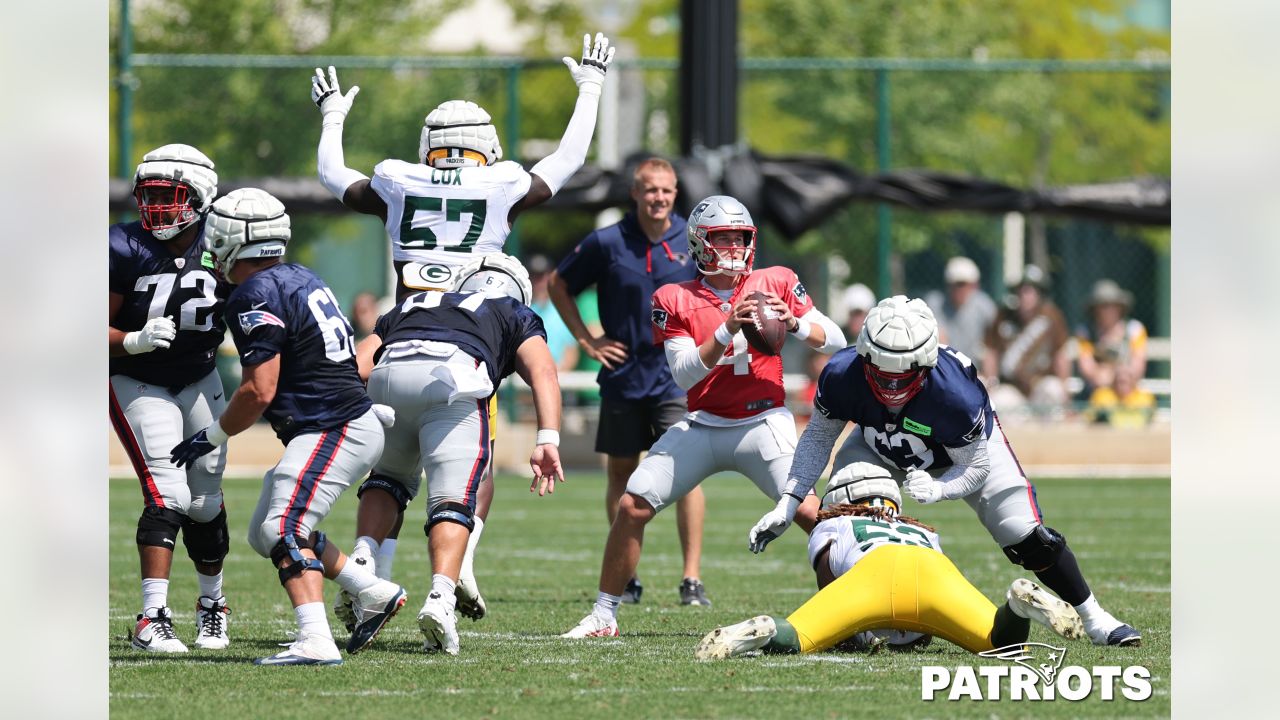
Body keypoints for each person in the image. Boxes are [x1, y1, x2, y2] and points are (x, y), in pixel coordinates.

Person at [310, 31, 615, 617]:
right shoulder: (499, 184)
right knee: (471, 462)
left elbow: (331, 174)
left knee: (390, 469)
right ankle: (454, 575)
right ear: (489, 147)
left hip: (403, 333)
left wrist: (331, 117)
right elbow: (568, 161)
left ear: (429, 146)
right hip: (475, 338)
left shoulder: (399, 179)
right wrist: (591, 88)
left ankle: (376, 568)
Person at [747, 295, 1141, 647]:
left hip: (962, 456)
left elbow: (976, 465)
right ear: (865, 355)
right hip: (880, 446)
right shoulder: (842, 373)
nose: (889, 386)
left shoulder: (955, 394)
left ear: (925, 364)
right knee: (844, 515)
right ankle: (859, 622)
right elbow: (817, 439)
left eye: (901, 376)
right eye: (879, 373)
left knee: (1025, 537)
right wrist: (788, 503)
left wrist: (939, 489)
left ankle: (1095, 618)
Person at [562, 195, 847, 638]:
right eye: (723, 238)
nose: (734, 248)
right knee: (633, 503)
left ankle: (850, 615)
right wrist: (727, 327)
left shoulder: (776, 280)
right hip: (705, 421)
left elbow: (835, 337)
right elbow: (683, 373)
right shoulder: (674, 296)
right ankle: (603, 615)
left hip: (763, 422)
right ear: (699, 244)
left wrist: (795, 325)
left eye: (740, 238)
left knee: (814, 514)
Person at [169, 188, 408, 665]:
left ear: (240, 239)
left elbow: (259, 390)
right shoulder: (297, 275)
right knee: (265, 532)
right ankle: (373, 590)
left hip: (334, 426)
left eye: (218, 232)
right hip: (341, 423)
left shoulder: (256, 291)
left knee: (285, 526)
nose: (211, 243)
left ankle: (315, 640)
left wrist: (210, 436)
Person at [350, 253, 565, 655]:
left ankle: (363, 560)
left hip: (390, 374)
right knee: (451, 500)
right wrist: (548, 436)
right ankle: (441, 598)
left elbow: (358, 364)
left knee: (388, 478)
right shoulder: (513, 311)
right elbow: (544, 371)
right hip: (454, 379)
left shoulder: (415, 302)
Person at [696, 462, 1084, 659]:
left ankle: (763, 630)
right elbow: (926, 626)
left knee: (800, 635)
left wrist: (851, 629)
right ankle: (1016, 604)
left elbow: (831, 578)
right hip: (932, 571)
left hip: (874, 574)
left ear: (842, 498)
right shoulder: (920, 528)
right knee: (999, 643)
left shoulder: (836, 523)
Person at [547, 157, 709, 605]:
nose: (658, 197)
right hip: (622, 375)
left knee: (687, 474)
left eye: (666, 190)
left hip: (678, 376)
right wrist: (587, 339)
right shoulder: (608, 241)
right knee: (621, 472)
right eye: (649, 189)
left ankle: (691, 579)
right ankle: (628, 576)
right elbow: (559, 283)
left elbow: (718, 291)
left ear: (676, 194)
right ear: (635, 193)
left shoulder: (694, 239)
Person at [110, 143, 234, 654]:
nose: (158, 207)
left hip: (202, 377)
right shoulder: (122, 245)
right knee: (168, 493)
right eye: (151, 196)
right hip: (139, 379)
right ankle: (152, 617)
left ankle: (212, 606)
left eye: (171, 196)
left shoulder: (225, 239)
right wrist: (130, 340)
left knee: (205, 500)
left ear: (202, 195)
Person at [981, 265, 1071, 416]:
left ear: (1040, 294)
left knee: (1054, 389)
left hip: (1041, 384)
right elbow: (991, 352)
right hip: (1012, 386)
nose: (1025, 295)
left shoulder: (1052, 317)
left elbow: (1060, 354)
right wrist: (991, 383)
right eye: (1022, 290)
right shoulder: (1003, 316)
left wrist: (1065, 387)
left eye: (1030, 291)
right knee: (998, 402)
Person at [1075, 278, 1148, 395]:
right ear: (1095, 309)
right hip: (1094, 392)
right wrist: (1104, 376)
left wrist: (1119, 376)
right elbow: (1087, 367)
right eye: (1103, 305)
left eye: (1111, 305)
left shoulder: (1135, 329)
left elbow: (1138, 367)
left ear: (1119, 307)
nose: (1107, 310)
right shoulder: (1085, 332)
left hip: (1128, 391)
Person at [924, 256, 997, 369]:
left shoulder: (984, 306)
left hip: (975, 372)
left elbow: (991, 345)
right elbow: (941, 345)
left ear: (974, 285)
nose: (959, 289)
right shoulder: (936, 305)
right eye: (955, 284)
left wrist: (990, 381)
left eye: (963, 284)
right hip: (946, 371)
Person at [527, 254, 579, 370]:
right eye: (535, 276)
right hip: (523, 381)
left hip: (558, 379)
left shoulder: (563, 308)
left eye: (543, 275)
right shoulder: (519, 308)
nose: (540, 281)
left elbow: (571, 353)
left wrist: (551, 376)